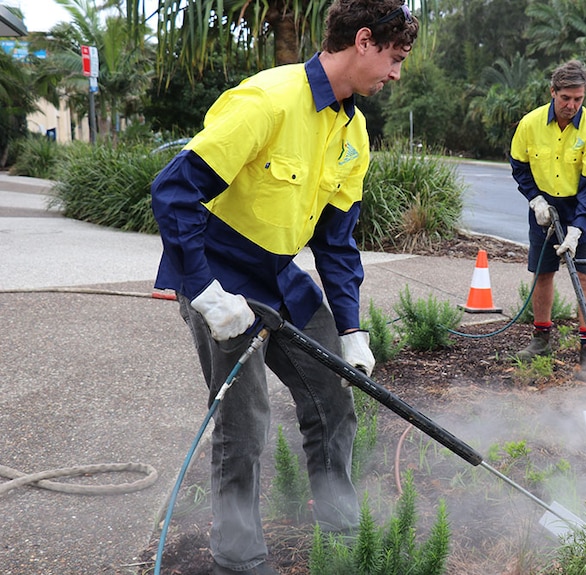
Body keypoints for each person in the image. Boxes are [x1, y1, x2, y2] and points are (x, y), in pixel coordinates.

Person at [149, 1, 419, 573]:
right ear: (364, 41)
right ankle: (238, 557)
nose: (396, 73)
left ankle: (342, 528)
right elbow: (172, 193)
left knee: (334, 397)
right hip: (221, 278)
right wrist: (202, 291)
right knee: (243, 422)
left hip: (281, 279)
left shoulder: (355, 130)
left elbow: (338, 244)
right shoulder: (269, 101)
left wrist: (351, 328)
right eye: (394, 58)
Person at [509, 59, 586, 369]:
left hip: (582, 208)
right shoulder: (530, 123)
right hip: (545, 207)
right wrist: (535, 200)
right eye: (566, 98)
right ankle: (540, 339)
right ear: (552, 92)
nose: (572, 105)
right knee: (543, 273)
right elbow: (520, 166)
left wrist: (578, 229)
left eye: (578, 99)